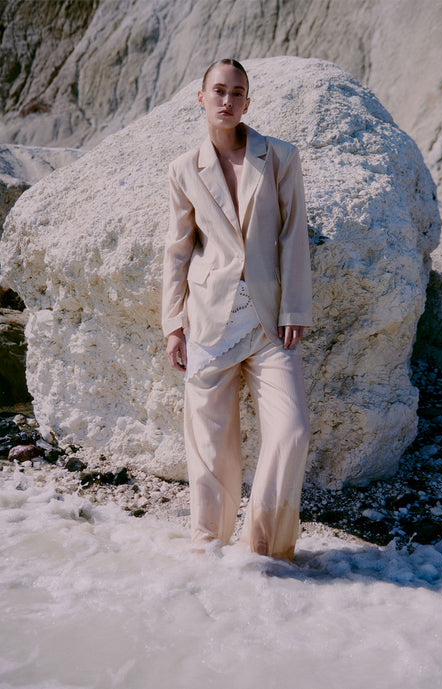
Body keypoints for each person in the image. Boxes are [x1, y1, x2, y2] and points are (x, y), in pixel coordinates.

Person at [162, 58, 312, 560]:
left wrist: (295, 307)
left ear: (248, 101)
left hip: (271, 322)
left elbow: (293, 234)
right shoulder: (184, 169)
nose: (227, 100)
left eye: (237, 92)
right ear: (201, 97)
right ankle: (207, 549)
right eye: (219, 91)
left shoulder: (281, 156)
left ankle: (263, 554)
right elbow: (178, 250)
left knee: (291, 432)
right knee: (209, 450)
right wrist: (174, 325)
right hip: (209, 320)